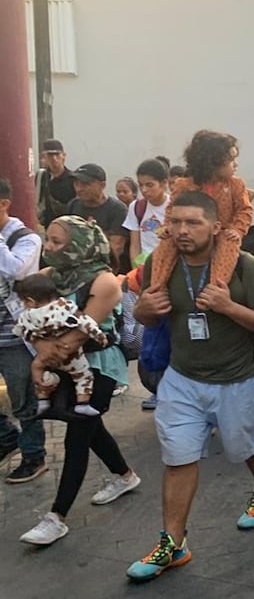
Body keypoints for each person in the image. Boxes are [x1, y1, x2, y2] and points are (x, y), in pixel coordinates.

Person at [127, 191, 254, 580]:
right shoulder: (159, 265)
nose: (181, 230)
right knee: (178, 460)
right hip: (182, 380)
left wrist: (228, 306)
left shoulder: (244, 266)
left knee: (247, 447)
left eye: (192, 222)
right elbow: (147, 317)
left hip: (237, 380)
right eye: (175, 221)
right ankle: (173, 544)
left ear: (215, 227)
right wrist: (144, 312)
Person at [19, 216, 140, 544]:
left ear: (81, 244)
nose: (50, 248)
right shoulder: (46, 276)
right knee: (91, 427)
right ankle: (125, 476)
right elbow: (29, 319)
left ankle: (56, 516)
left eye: (59, 242)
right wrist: (43, 350)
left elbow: (76, 335)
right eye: (50, 240)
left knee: (77, 434)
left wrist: (44, 353)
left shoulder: (104, 282)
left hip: (98, 367)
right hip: (61, 365)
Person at [149, 130, 254, 291]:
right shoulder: (184, 185)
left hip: (223, 232)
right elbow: (172, 209)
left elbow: (244, 210)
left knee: (228, 244)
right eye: (231, 159)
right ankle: (157, 288)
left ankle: (216, 288)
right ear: (214, 161)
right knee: (166, 245)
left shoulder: (235, 185)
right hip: (191, 233)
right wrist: (169, 226)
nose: (236, 164)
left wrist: (237, 230)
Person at [0, 178, 46, 483]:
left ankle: (33, 456)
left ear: (4, 204)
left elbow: (14, 270)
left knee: (24, 401)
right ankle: (6, 437)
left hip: (14, 336)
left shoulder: (25, 238)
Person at [13, 273, 109, 416]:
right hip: (72, 355)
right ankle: (82, 403)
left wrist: (37, 340)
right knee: (83, 375)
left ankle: (43, 399)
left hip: (45, 357)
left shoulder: (26, 315)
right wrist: (100, 336)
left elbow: (22, 332)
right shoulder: (64, 306)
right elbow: (85, 322)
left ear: (31, 301)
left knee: (37, 369)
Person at [66, 163, 128, 268]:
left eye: (85, 184)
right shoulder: (73, 205)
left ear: (102, 185)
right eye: (76, 184)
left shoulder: (117, 209)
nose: (79, 189)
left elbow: (116, 248)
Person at [124, 158, 171, 268]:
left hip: (167, 265)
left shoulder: (174, 207)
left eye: (149, 185)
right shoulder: (136, 207)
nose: (144, 190)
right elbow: (135, 244)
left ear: (164, 184)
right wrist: (136, 271)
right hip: (144, 266)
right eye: (141, 185)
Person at [36, 138, 78, 229]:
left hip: (68, 229)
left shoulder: (73, 180)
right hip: (47, 228)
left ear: (64, 155)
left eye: (57, 154)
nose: (54, 159)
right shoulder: (41, 177)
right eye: (50, 155)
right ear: (44, 157)